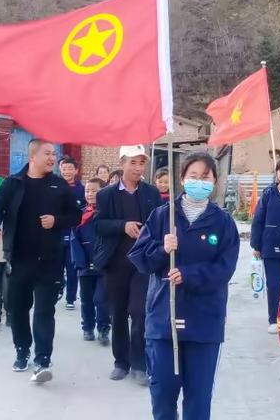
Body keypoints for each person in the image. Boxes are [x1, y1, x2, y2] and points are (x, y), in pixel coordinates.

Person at [129, 151, 240, 420]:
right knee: (163, 392)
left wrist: (189, 274)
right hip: (164, 320)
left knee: (199, 398)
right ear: (182, 179)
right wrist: (161, 249)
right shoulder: (161, 217)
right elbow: (139, 258)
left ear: (214, 181)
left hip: (204, 322)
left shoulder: (223, 223)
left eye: (205, 177)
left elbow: (224, 268)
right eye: (193, 176)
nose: (199, 182)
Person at [0, 139, 82, 383]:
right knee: (18, 309)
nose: (53, 158)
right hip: (18, 260)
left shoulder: (60, 186)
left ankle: (42, 359)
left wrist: (56, 221)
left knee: (43, 311)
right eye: (48, 153)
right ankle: (22, 350)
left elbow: (75, 215)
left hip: (49, 261)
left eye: (54, 154)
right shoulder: (13, 183)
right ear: (33, 156)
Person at [93, 145, 162, 385]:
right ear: (122, 163)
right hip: (116, 263)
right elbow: (98, 225)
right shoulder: (107, 195)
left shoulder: (151, 193)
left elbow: (158, 224)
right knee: (119, 313)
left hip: (142, 264)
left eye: (141, 163)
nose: (138, 168)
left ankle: (140, 363)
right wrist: (122, 225)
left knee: (140, 312)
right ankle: (120, 362)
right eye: (133, 162)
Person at [250, 158, 280, 334]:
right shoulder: (268, 195)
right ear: (276, 173)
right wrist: (256, 244)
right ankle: (274, 319)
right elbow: (258, 220)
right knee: (274, 284)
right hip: (270, 247)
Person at [70, 177, 111, 345]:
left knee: (102, 299)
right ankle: (87, 327)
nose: (90, 194)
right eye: (87, 191)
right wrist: (81, 262)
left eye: (94, 191)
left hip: (104, 265)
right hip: (85, 265)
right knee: (86, 298)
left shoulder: (109, 213)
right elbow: (74, 240)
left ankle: (103, 328)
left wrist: (104, 259)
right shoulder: (80, 214)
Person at [59, 157, 86, 310]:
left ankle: (70, 298)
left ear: (76, 171)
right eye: (64, 168)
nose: (67, 171)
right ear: (60, 169)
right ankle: (58, 287)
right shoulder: (54, 186)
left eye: (70, 168)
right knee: (56, 266)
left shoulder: (81, 190)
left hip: (74, 235)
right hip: (56, 233)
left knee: (71, 267)